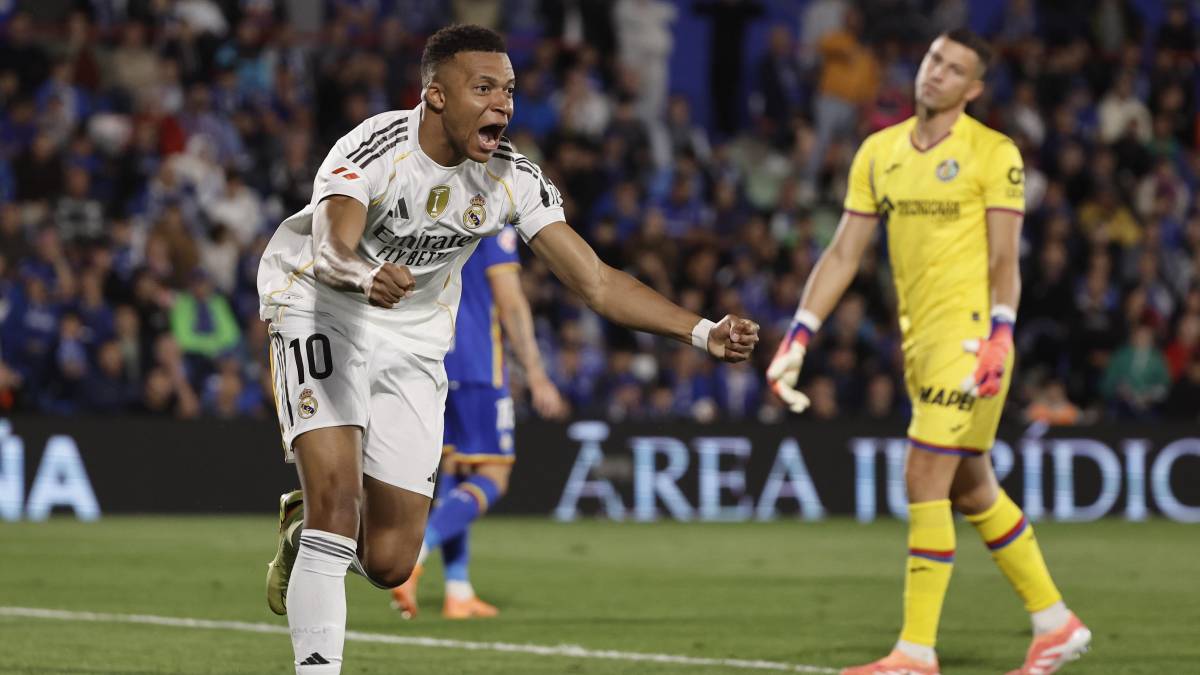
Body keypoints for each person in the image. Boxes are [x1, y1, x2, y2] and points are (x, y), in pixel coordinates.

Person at [257, 24, 759, 675]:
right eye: (485, 88)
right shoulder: (374, 148)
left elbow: (596, 281)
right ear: (436, 95)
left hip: (413, 340)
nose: (502, 104)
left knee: (390, 561)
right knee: (337, 506)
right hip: (321, 309)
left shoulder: (511, 177)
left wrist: (702, 330)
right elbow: (330, 250)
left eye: (510, 90)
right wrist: (364, 275)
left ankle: (306, 538)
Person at [766, 29, 1090, 675]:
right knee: (971, 487)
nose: (936, 72)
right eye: (934, 59)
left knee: (923, 475)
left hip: (970, 341)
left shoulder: (993, 153)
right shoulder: (878, 151)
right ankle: (1055, 622)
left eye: (954, 69)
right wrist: (799, 333)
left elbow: (1005, 258)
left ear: (973, 89)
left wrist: (1001, 332)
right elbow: (843, 253)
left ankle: (915, 652)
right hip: (919, 342)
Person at [389, 225, 567, 620]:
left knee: (456, 471)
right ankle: (414, 557)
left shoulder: (432, 213)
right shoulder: (491, 221)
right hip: (477, 365)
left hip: (430, 359)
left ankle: (458, 590)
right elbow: (511, 301)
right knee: (493, 475)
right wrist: (536, 373)